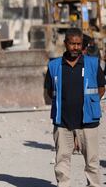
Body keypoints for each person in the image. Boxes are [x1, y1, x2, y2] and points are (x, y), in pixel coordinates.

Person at [44, 27, 105, 187]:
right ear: (65, 44)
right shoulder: (54, 65)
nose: (76, 47)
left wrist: (91, 104)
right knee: (62, 161)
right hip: (62, 122)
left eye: (78, 44)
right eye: (72, 44)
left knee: (92, 162)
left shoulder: (92, 63)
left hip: (88, 122)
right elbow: (50, 91)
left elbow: (101, 87)